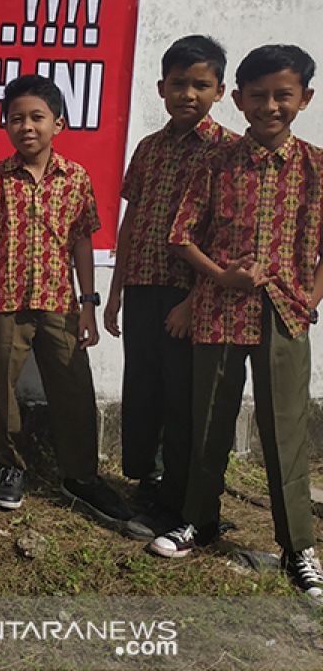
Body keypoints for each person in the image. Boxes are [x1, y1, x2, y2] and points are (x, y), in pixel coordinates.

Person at [151, 44, 323, 600]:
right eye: (258, 96)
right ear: (241, 100)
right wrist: (220, 278)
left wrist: (306, 300)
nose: (270, 106)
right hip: (219, 311)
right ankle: (198, 521)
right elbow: (180, 235)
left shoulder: (317, 167)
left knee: (285, 432)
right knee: (208, 424)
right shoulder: (214, 162)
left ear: (305, 99)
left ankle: (298, 547)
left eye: (283, 95)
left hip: (284, 318)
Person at [0, 74, 131, 528]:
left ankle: (81, 477)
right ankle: (11, 465)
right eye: (17, 119)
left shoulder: (75, 179)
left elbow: (82, 245)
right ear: (5, 126)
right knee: (1, 387)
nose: (27, 127)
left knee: (72, 385)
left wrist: (89, 304)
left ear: (59, 124)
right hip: (2, 301)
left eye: (37, 117)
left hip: (59, 302)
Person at [102, 35, 239, 541]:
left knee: (184, 400)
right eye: (178, 83)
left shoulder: (228, 153)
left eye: (200, 85)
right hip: (141, 286)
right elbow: (132, 219)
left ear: (220, 91)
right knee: (143, 389)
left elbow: (228, 237)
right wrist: (116, 291)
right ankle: (149, 483)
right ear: (162, 88)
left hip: (191, 295)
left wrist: (194, 300)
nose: (188, 94)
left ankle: (184, 498)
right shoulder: (149, 148)